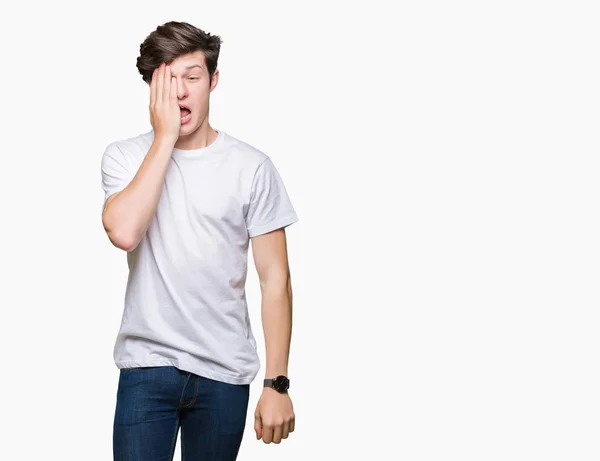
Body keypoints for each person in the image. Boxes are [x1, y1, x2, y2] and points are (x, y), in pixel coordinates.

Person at [100, 21, 298, 461]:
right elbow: (125, 232)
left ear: (213, 81)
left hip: (224, 374)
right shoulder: (125, 157)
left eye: (191, 77)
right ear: (151, 86)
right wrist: (166, 136)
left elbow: (275, 281)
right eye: (167, 80)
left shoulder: (251, 166)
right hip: (146, 368)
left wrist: (276, 383)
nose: (181, 92)